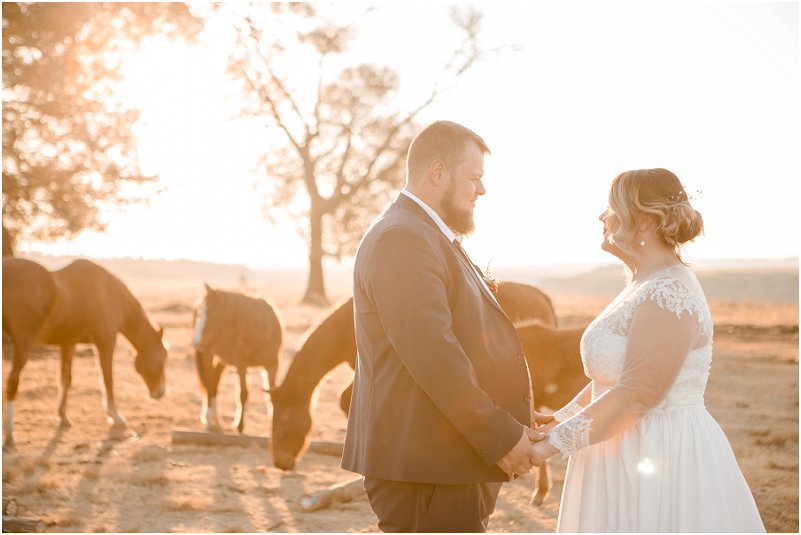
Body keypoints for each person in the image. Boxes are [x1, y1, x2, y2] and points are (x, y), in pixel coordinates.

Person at [342, 120, 549, 532]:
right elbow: (434, 355)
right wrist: (501, 437)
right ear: (437, 172)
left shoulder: (424, 234)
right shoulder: (402, 239)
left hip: (445, 461)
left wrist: (516, 414)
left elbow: (462, 341)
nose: (482, 190)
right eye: (474, 178)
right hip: (428, 470)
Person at [531, 168, 765, 532]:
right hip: (618, 446)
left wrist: (549, 446)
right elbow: (613, 378)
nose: (602, 217)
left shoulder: (670, 292)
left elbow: (638, 394)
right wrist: (561, 417)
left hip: (660, 449)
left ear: (642, 222)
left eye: (611, 208)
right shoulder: (644, 282)